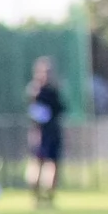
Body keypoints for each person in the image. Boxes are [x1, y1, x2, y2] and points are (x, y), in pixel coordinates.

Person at [25, 56, 66, 205]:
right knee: (37, 163)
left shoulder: (54, 90)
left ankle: (49, 196)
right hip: (40, 133)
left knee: (53, 164)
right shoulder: (36, 91)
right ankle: (35, 196)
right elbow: (36, 115)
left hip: (53, 132)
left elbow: (60, 109)